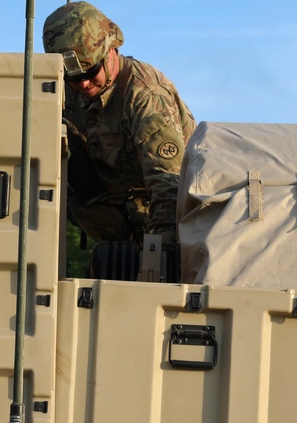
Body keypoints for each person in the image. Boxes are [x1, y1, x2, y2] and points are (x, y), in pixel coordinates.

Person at [43, 0, 195, 245]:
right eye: (73, 77)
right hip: (116, 228)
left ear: (111, 50)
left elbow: (168, 185)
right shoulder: (61, 92)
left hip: (162, 222)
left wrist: (159, 254)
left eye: (90, 72)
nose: (82, 84)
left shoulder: (144, 95)